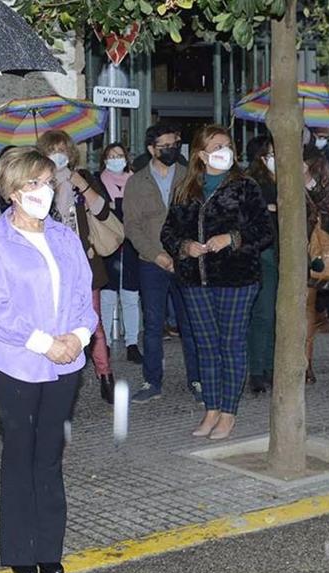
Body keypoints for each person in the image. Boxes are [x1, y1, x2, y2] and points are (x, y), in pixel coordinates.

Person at [0, 146, 97, 573]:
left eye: (47, 182)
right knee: (20, 456)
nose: (44, 191)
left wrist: (78, 338)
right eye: (33, 184)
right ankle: (20, 551)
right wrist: (45, 343)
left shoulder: (64, 237)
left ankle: (49, 549)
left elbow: (84, 293)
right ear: (11, 191)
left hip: (65, 365)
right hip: (19, 367)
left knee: (49, 458)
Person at [161, 125, 273, 440]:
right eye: (216, 146)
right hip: (195, 279)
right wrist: (184, 246)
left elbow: (265, 231)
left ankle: (228, 413)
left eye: (227, 145)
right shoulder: (186, 188)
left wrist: (232, 238)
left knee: (231, 344)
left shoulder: (245, 186)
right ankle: (210, 409)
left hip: (236, 278)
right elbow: (168, 231)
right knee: (206, 346)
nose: (224, 150)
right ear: (201, 154)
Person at [36, 129, 116, 404]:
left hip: (85, 261)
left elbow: (103, 212)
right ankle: (59, 377)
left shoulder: (84, 178)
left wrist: (80, 184)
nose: (58, 155)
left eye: (62, 149)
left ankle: (105, 374)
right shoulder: (37, 184)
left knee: (93, 322)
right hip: (50, 264)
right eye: (52, 150)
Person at [124, 123, 201, 404]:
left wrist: (181, 253)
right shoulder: (136, 182)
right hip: (151, 262)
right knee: (154, 325)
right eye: (165, 146)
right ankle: (152, 381)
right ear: (151, 149)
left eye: (174, 144)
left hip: (185, 261)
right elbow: (132, 226)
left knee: (190, 323)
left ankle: (197, 379)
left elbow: (196, 220)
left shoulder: (189, 177)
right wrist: (157, 255)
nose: (171, 149)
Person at [97, 142, 142, 364]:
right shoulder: (97, 182)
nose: (116, 159)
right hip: (108, 246)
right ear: (104, 160)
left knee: (131, 297)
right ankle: (103, 342)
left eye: (119, 155)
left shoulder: (136, 181)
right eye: (111, 156)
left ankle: (132, 343)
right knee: (107, 297)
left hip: (132, 246)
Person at [303, 145, 329, 385]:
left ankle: (305, 363)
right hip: (270, 242)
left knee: (306, 305)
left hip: (308, 242)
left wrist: (308, 180)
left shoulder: (316, 161)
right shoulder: (264, 159)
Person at [244, 135, 278, 394]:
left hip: (283, 253)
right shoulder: (252, 182)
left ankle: (270, 367)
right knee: (263, 313)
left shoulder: (287, 177)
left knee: (277, 314)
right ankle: (258, 370)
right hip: (263, 253)